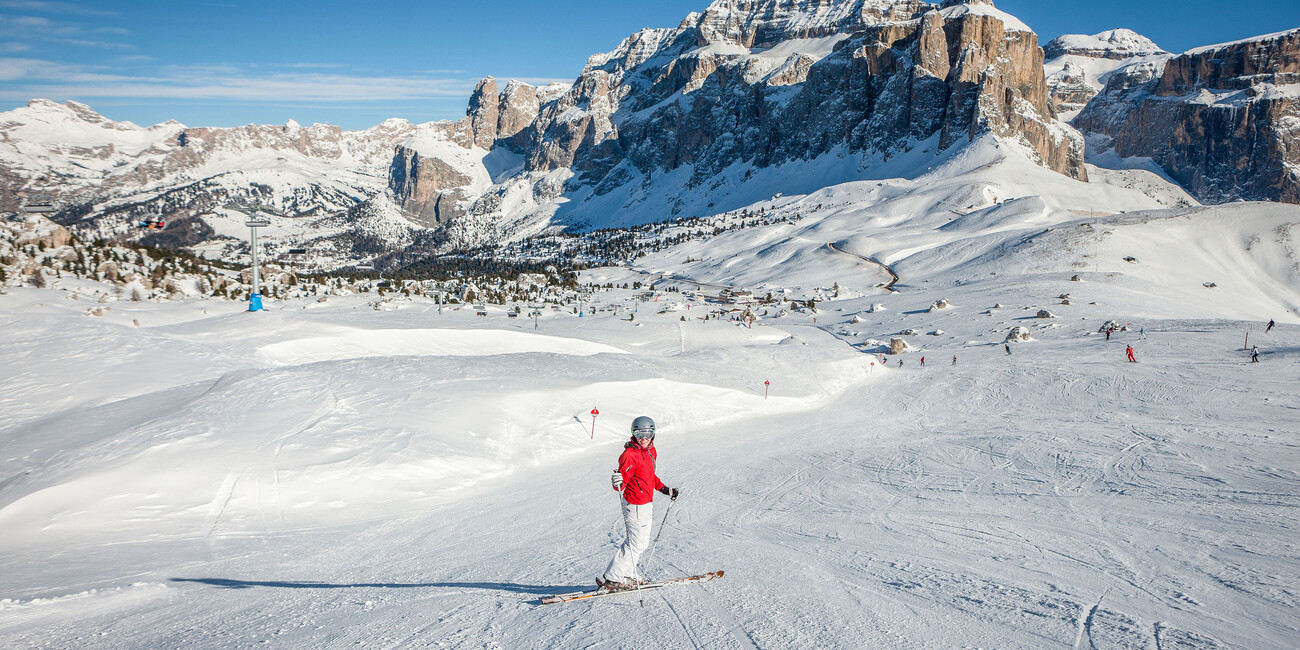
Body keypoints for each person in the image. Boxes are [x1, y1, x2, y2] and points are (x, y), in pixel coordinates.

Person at [599, 416, 679, 592]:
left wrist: (664, 489)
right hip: (635, 505)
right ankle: (613, 578)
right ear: (633, 434)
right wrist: (617, 481)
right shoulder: (629, 455)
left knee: (641, 543)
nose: (644, 438)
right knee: (636, 543)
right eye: (639, 434)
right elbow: (620, 484)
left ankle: (627, 573)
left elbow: (649, 476)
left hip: (646, 503)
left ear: (653, 434)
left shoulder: (651, 451)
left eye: (648, 434)